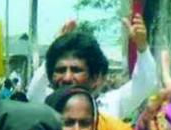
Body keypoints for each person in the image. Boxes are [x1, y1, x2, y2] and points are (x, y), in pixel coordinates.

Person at [28, 16, 158, 121]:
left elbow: (144, 83)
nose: (67, 78)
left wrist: (142, 47)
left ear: (95, 77)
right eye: (60, 70)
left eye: (76, 70)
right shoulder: (49, 106)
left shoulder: (110, 106)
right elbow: (34, 91)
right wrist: (55, 47)